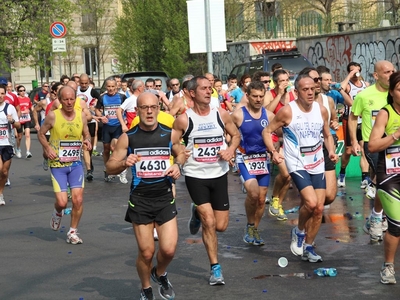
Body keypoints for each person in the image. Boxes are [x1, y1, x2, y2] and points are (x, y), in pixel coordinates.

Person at [106, 92, 185, 300]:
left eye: (153, 107)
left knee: (168, 250)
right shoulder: (128, 137)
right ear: (137, 110)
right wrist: (124, 163)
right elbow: (109, 167)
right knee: (147, 252)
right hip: (140, 200)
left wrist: (178, 165)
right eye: (144, 107)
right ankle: (146, 288)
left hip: (165, 197)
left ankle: (159, 272)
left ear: (159, 108)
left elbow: (182, 153)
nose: (149, 111)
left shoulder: (169, 134)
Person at [172, 76, 240, 285]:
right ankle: (215, 268)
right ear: (192, 93)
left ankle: (196, 211)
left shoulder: (220, 114)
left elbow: (235, 135)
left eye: (210, 88)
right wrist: (179, 153)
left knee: (221, 226)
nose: (209, 91)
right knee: (208, 221)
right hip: (196, 175)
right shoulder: (185, 119)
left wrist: (230, 150)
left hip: (218, 174)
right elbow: (173, 142)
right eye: (204, 88)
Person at [262, 74, 338, 262]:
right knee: (311, 203)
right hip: (297, 163)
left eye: (312, 88)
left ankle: (309, 247)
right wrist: (273, 151)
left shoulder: (321, 110)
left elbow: (327, 134)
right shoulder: (288, 111)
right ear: (296, 92)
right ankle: (299, 231)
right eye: (305, 89)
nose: (310, 92)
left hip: (317, 162)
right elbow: (267, 131)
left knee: (319, 208)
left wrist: (331, 151)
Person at [38, 86, 91, 244]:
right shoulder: (53, 116)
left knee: (78, 200)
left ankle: (73, 232)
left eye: (71, 99)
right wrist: (47, 148)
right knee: (62, 202)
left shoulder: (81, 116)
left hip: (75, 164)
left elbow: (86, 132)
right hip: (58, 164)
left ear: (75, 100)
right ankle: (57, 212)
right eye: (65, 99)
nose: (69, 102)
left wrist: (87, 140)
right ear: (60, 100)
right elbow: (41, 134)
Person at [349, 60, 395, 242]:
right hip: (373, 144)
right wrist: (354, 141)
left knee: (387, 182)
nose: (391, 75)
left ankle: (378, 216)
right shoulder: (364, 95)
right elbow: (353, 118)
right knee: (386, 179)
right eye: (386, 72)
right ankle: (378, 217)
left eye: (393, 71)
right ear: (376, 75)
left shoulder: (397, 94)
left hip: (395, 144)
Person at [231, 81, 275, 245]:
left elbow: (280, 131)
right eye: (254, 96)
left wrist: (277, 146)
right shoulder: (238, 114)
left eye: (261, 96)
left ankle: (254, 230)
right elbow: (228, 131)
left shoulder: (269, 116)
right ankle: (250, 225)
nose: (258, 99)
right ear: (247, 96)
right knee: (254, 194)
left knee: (262, 199)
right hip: (244, 158)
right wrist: (229, 150)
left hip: (263, 159)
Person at [368, 71, 400, 285]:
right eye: (399, 88)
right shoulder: (385, 113)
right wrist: (396, 135)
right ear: (392, 92)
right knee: (397, 225)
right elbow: (372, 146)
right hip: (390, 176)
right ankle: (388, 266)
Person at [337, 62, 370, 188]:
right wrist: (350, 75)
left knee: (364, 148)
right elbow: (341, 87)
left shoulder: (365, 85)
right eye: (351, 70)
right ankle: (342, 172)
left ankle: (365, 177)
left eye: (356, 70)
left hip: (364, 121)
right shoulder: (348, 86)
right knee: (349, 150)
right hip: (350, 120)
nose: (355, 73)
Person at [95, 78, 127, 182]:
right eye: (109, 86)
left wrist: (125, 119)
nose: (111, 88)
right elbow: (96, 109)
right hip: (107, 127)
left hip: (118, 126)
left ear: (117, 86)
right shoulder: (102, 98)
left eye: (113, 86)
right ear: (106, 87)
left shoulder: (122, 97)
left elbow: (126, 109)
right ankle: (108, 169)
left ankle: (120, 170)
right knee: (106, 149)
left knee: (115, 147)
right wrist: (101, 116)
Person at [77, 74, 101, 181]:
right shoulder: (75, 90)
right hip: (78, 121)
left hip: (90, 120)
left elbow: (100, 100)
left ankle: (89, 161)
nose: (83, 85)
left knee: (89, 146)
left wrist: (95, 108)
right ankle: (88, 169)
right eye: (81, 83)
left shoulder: (92, 91)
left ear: (89, 81)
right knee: (84, 146)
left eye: (86, 83)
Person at [0, 84, 20, 205]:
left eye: (2, 94)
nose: (0, 96)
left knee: (4, 172)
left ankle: (0, 194)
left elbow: (18, 125)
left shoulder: (10, 108)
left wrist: (12, 121)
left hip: (7, 144)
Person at [15, 85, 33, 158]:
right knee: (19, 137)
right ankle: (18, 148)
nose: (22, 92)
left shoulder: (27, 99)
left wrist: (31, 110)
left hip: (27, 119)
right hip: (19, 119)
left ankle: (28, 151)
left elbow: (30, 107)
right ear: (18, 92)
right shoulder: (16, 99)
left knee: (27, 134)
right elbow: (15, 110)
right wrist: (22, 112)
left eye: (24, 90)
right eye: (21, 91)